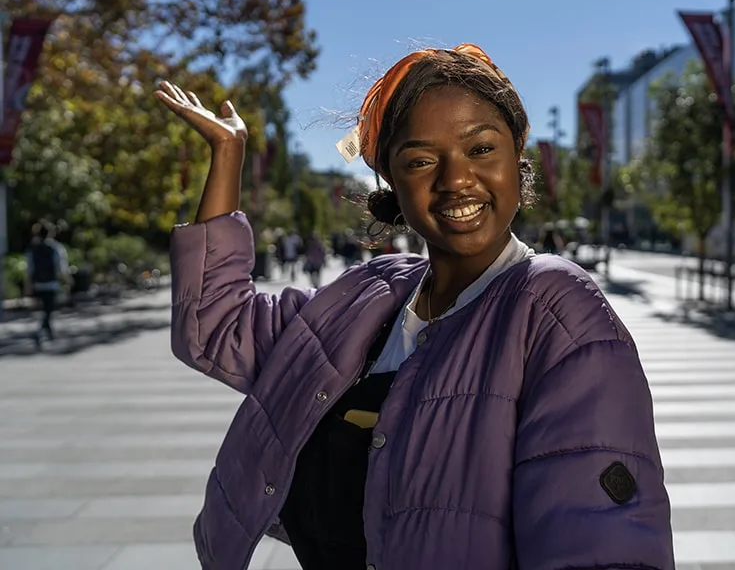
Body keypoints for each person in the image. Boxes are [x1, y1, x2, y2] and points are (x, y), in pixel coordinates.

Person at [156, 43, 673, 570]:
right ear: (391, 182)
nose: (455, 180)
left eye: (480, 149)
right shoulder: (367, 295)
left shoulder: (554, 309)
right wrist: (228, 157)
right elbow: (213, 327)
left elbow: (602, 538)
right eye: (421, 161)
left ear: (518, 156)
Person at [25, 220, 68, 349]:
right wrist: (67, 280)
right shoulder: (56, 248)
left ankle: (49, 333)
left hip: (38, 283)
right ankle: (40, 332)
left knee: (45, 310)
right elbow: (61, 267)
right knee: (48, 310)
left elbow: (29, 269)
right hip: (51, 283)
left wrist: (28, 285)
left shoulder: (33, 248)